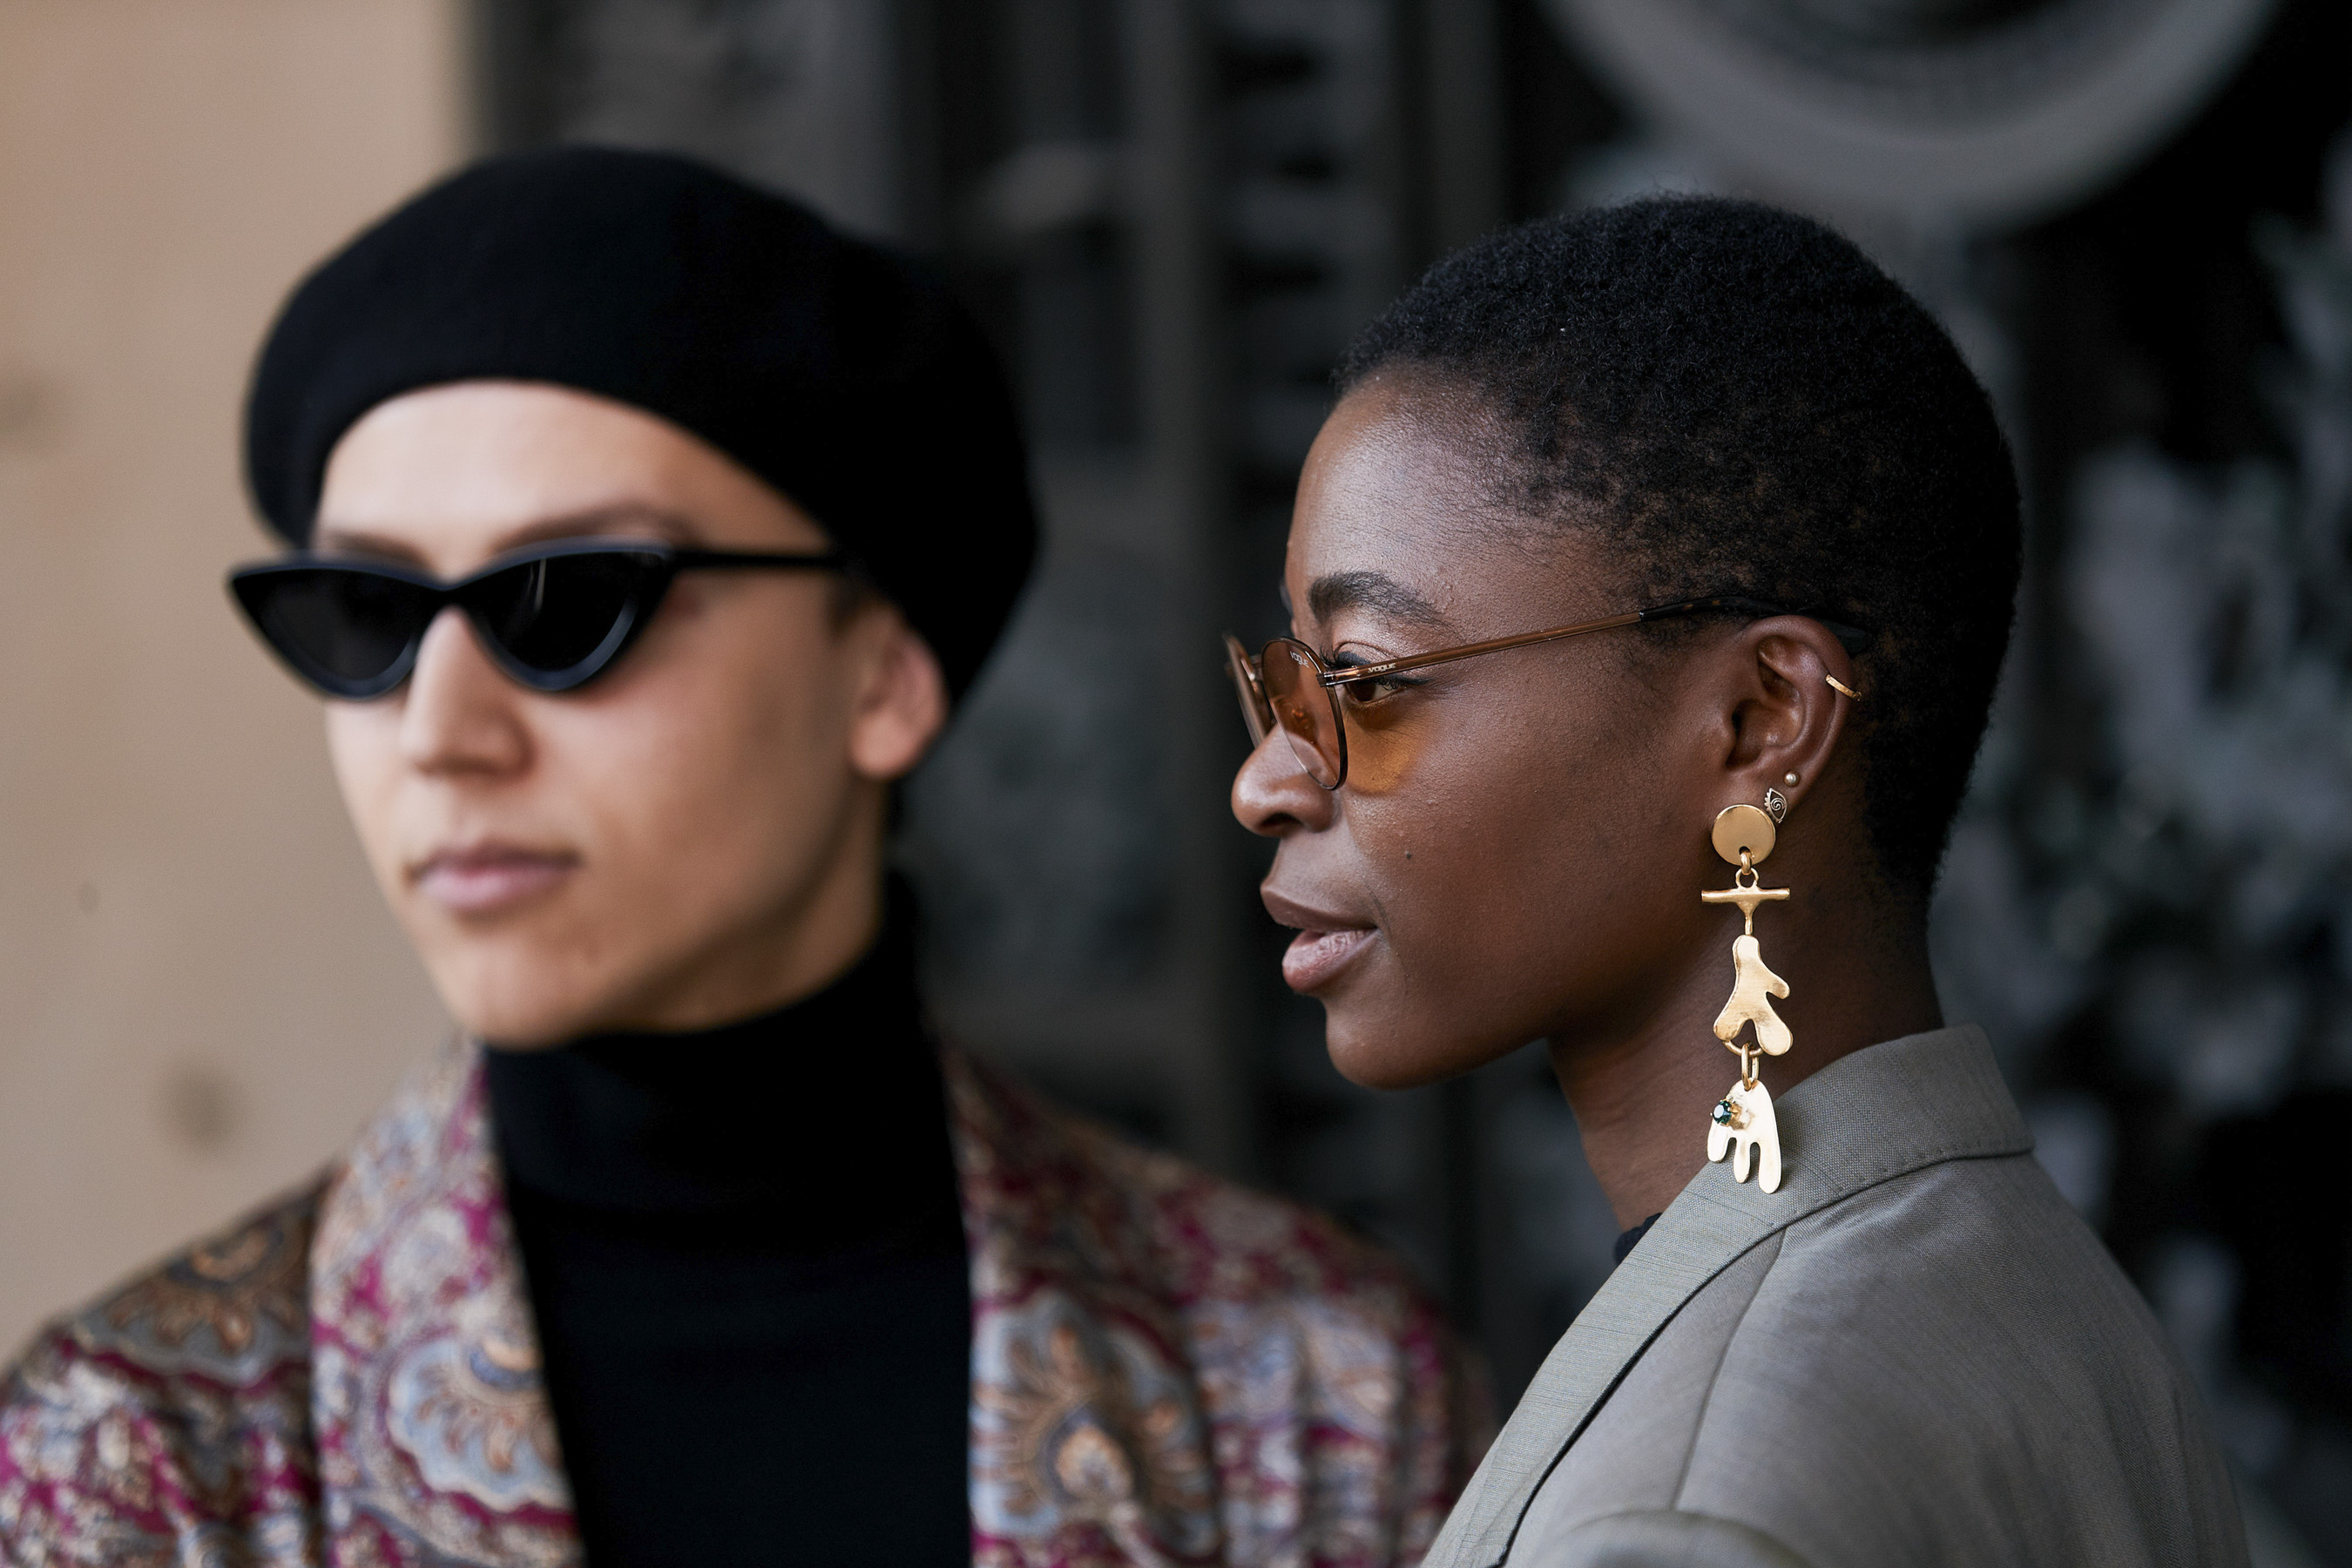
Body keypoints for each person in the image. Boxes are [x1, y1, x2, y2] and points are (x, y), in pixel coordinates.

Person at [0, 147, 1479, 1568]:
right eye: (367, 620)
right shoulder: (140, 1455)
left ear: (884, 676)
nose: (440, 732)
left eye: (568, 601)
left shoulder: (1312, 1403)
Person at [1227, 198, 2247, 1567]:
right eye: (1277, 684)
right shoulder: (2039, 1300)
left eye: (1362, 680)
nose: (1269, 781)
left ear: (1763, 719)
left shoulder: (1688, 1509)